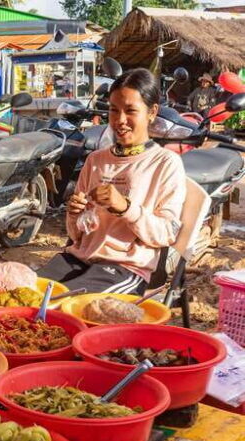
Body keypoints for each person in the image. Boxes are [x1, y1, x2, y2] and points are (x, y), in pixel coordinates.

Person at [37, 68, 186, 295]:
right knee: (28, 293)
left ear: (152, 112)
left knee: (61, 304)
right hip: (80, 258)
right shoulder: (96, 160)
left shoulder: (165, 163)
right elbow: (77, 235)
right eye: (114, 110)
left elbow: (166, 233)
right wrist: (75, 214)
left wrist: (125, 207)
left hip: (126, 267)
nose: (120, 120)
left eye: (130, 111)